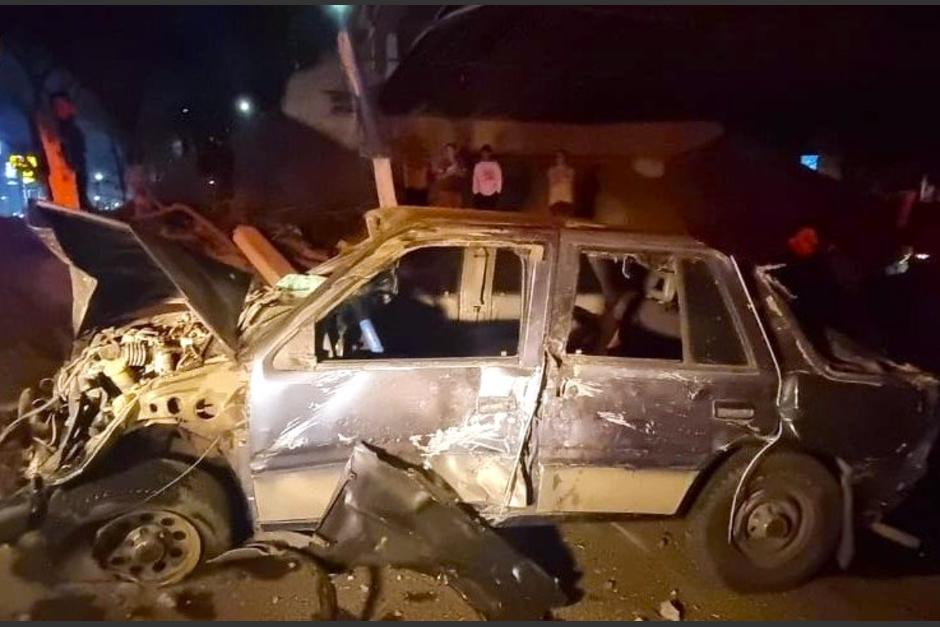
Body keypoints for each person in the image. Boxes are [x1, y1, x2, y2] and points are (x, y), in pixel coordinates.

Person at [49, 92, 91, 209]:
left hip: (72, 190)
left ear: (71, 108)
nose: (59, 110)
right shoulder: (51, 133)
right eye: (56, 106)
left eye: (62, 106)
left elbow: (78, 165)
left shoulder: (74, 133)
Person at [430, 142, 466, 207]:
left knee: (457, 211)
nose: (449, 152)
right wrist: (449, 173)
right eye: (447, 150)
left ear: (455, 151)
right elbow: (438, 177)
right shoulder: (442, 163)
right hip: (444, 192)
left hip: (457, 193)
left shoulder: (460, 162)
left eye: (451, 150)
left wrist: (456, 170)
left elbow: (463, 175)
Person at [472, 144, 503, 209]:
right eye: (483, 153)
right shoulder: (478, 166)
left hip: (493, 193)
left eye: (486, 153)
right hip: (480, 193)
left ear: (490, 154)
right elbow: (475, 179)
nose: (485, 155)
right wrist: (475, 191)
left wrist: (498, 190)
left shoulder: (495, 165)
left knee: (491, 211)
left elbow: (499, 178)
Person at [547, 150, 575, 216]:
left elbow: (569, 180)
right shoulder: (551, 170)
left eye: (562, 157)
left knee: (566, 217)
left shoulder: (570, 170)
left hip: (566, 199)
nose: (560, 159)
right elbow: (552, 181)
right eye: (558, 157)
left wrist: (562, 178)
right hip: (555, 199)